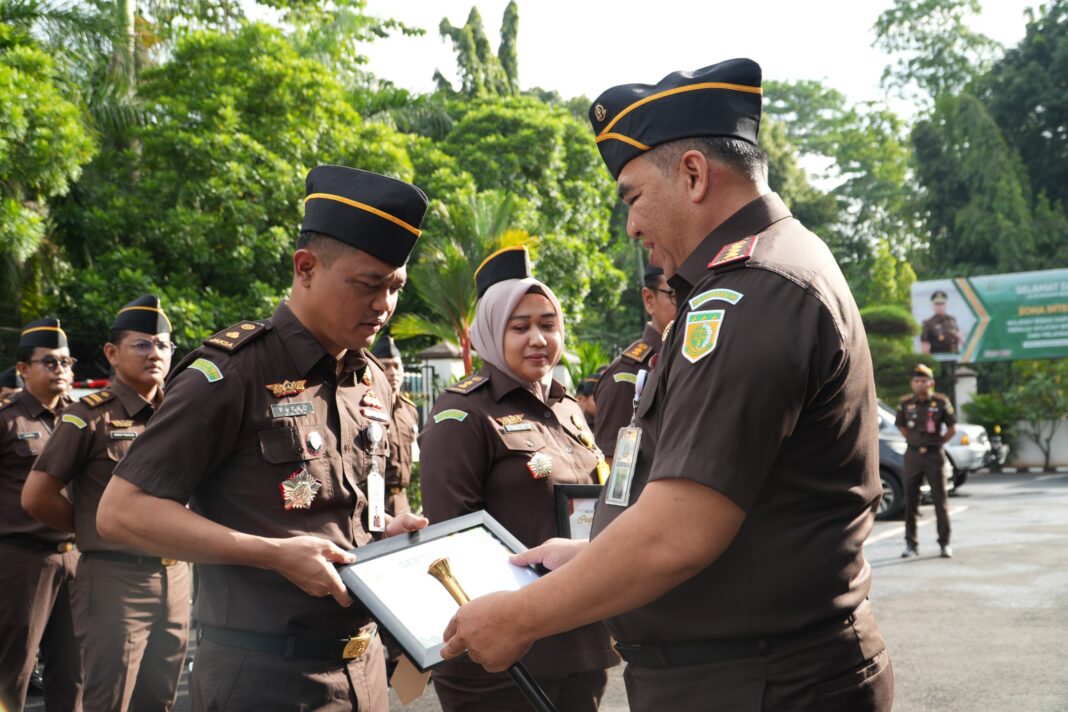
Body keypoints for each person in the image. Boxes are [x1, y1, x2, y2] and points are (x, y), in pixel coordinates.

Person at [437, 58, 893, 711]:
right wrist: (589, 556)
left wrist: (519, 617)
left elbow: (678, 532)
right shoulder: (760, 274)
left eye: (632, 197)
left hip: (760, 684)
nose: (630, 226)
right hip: (751, 675)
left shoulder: (751, 293)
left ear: (694, 174)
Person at [94, 165, 431, 712]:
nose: (383, 306)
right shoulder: (232, 373)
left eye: (395, 288)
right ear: (305, 268)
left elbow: (347, 507)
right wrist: (274, 555)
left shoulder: (369, 378)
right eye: (368, 284)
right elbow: (122, 511)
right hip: (263, 678)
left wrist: (387, 534)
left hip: (364, 673)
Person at [419, 246, 617, 712]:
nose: (538, 339)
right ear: (491, 331)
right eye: (520, 327)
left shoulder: (567, 408)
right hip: (506, 654)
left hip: (580, 636)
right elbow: (452, 535)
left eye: (548, 324)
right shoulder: (463, 412)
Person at [23, 295, 190, 712]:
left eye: (163, 345)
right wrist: (95, 523)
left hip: (175, 576)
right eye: (142, 344)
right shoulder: (88, 415)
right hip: (116, 579)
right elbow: (37, 495)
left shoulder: (180, 411)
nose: (155, 353)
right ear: (112, 353)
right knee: (108, 700)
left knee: (160, 700)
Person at [0, 317, 83, 711]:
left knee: (73, 673)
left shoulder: (82, 417)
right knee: (11, 671)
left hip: (76, 557)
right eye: (49, 362)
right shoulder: (7, 418)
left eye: (66, 362)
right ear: (23, 369)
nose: (60, 370)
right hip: (21, 561)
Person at [592, 265, 675, 462]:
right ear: (649, 300)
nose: (690, 303)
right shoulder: (626, 374)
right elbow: (612, 466)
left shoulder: (691, 362)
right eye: (675, 295)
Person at [896, 364, 956, 558]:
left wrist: (938, 442)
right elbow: (901, 426)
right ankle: (911, 544)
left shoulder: (940, 402)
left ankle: (944, 544)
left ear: (931, 383)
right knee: (911, 501)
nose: (920, 384)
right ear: (912, 383)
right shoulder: (905, 403)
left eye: (923, 380)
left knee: (940, 501)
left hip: (934, 455)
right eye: (916, 381)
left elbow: (952, 428)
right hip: (913, 455)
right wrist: (913, 439)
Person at [370, 332, 418, 517]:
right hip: (375, 499)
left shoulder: (409, 410)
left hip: (402, 500)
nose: (393, 373)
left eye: (397, 366)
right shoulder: (365, 408)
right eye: (386, 366)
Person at [920, 290, 962, 355]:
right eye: (937, 304)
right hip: (938, 357)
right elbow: (925, 344)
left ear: (946, 305)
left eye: (942, 304)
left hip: (954, 356)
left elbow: (958, 337)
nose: (940, 307)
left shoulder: (952, 319)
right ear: (933, 306)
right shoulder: (928, 323)